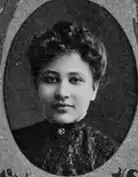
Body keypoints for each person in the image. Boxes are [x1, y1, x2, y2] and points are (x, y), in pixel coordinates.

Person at [12, 21, 119, 176]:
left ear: (93, 89)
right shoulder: (14, 144)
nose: (62, 93)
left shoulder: (108, 153)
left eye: (75, 80)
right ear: (36, 85)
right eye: (50, 79)